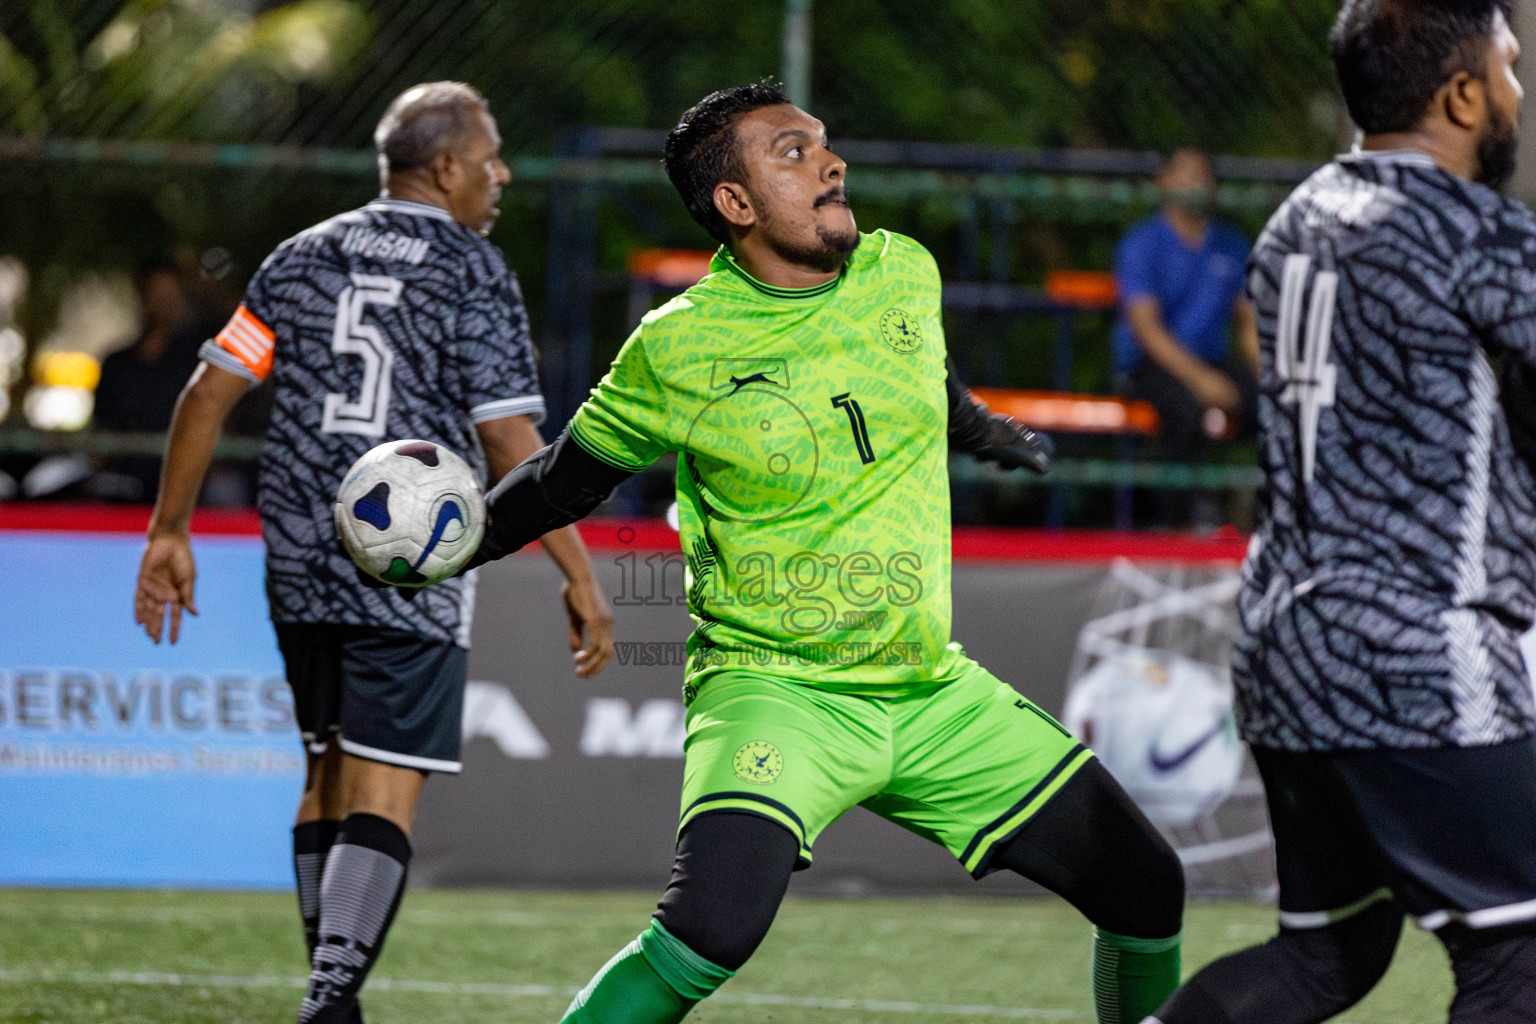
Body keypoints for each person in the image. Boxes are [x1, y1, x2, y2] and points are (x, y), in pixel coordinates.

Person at [418, 81, 1186, 1024]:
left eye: (824, 145)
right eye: (791, 151)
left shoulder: (903, 268)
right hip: (774, 690)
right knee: (709, 930)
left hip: (928, 690)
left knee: (1148, 892)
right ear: (734, 205)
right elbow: (560, 483)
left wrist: (981, 427)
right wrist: (447, 550)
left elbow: (926, 376)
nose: (831, 163)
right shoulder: (677, 347)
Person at [131, 81, 615, 1024]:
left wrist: (169, 530)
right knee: (384, 783)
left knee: (323, 770)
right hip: (412, 558)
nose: (500, 174)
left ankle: (329, 998)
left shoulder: (298, 256)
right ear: (443, 167)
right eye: (489, 158)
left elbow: (205, 393)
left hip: (301, 552)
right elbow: (513, 440)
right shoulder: (472, 269)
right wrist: (580, 572)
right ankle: (330, 1002)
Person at [1148, 3, 1536, 1022]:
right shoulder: (1474, 232)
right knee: (1519, 963)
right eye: (1509, 67)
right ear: (1462, 94)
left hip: (1286, 641)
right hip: (1416, 648)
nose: (1518, 93)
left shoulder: (1297, 221)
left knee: (1326, 958)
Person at [1113, 148, 1261, 528]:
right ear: (1162, 183)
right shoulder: (1142, 245)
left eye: (1202, 175)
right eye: (1185, 174)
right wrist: (1201, 381)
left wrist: (1271, 376)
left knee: (1279, 409)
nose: (1195, 183)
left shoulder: (1231, 245)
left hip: (1212, 360)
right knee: (1185, 411)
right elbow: (1147, 331)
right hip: (1151, 365)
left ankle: (1270, 525)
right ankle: (1173, 530)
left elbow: (1248, 324)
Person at [93, 258, 221, 501]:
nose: (164, 305)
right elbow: (101, 425)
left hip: (181, 481)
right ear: (142, 296)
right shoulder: (117, 363)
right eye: (157, 295)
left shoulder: (198, 361)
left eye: (171, 296)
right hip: (120, 479)